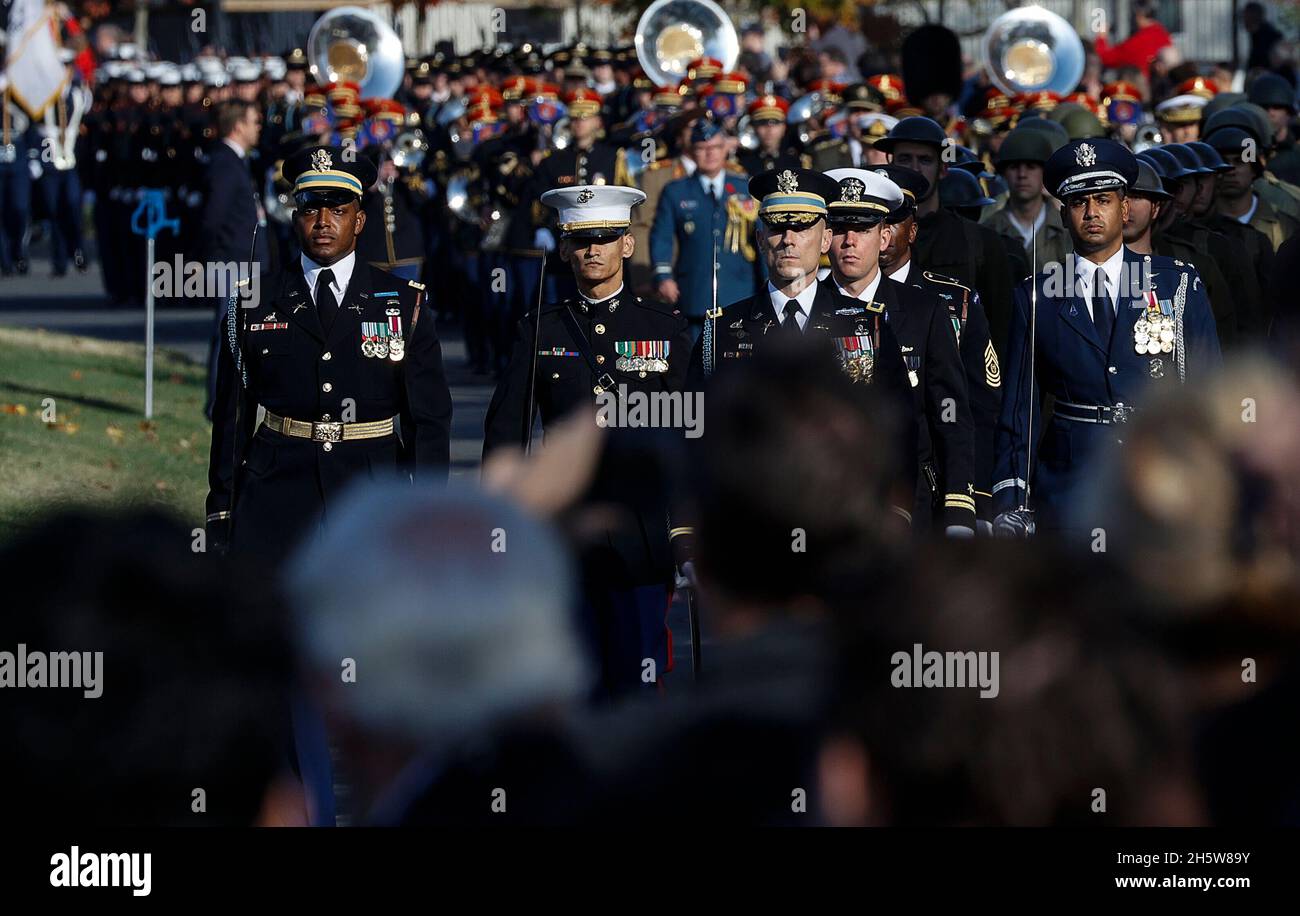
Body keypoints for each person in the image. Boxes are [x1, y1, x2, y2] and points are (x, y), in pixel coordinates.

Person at [483, 184, 691, 697]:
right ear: (563, 248)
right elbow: (507, 430)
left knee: (639, 676)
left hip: (639, 532)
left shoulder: (661, 327)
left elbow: (692, 431)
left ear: (626, 244)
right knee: (567, 683)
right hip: (562, 531)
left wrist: (687, 528)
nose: (592, 250)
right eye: (580, 240)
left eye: (604, 238)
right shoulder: (539, 328)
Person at [206, 145, 453, 560]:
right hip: (277, 489)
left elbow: (427, 422)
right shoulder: (253, 302)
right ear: (295, 217)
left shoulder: (402, 302)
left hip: (371, 493)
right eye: (310, 208)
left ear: (359, 221)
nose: (323, 222)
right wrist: (222, 512)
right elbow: (232, 418)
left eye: (338, 209)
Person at [993, 139, 1222, 537]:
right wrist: (1013, 500)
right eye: (1080, 203)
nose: (1093, 212)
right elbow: (1020, 409)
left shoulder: (1176, 282)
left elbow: (1205, 390)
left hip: (1158, 477)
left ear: (1125, 207)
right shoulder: (1037, 295)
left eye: (1104, 199)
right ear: (1064, 215)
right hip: (1068, 484)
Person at [822, 167, 976, 535]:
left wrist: (959, 510)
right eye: (841, 229)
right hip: (826, 502)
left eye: (862, 229)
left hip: (909, 500)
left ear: (885, 235)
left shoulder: (925, 310)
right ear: (826, 237)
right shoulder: (807, 310)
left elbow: (950, 416)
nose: (849, 242)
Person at [876, 163, 1003, 529]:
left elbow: (979, 407)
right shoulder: (825, 300)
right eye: (871, 224)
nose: (882, 234)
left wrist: (973, 498)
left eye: (892, 223)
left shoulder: (953, 301)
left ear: (912, 230)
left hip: (929, 488)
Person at [875, 117, 1016, 361]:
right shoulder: (869, 237)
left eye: (925, 160)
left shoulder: (982, 243)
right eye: (905, 159)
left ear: (943, 168)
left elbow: (1001, 334)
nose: (914, 169)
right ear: (890, 162)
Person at [651, 116, 760, 337]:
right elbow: (661, 237)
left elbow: (761, 240)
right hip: (694, 292)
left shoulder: (745, 188)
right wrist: (663, 276)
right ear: (691, 151)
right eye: (702, 148)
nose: (710, 154)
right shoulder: (676, 191)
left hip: (739, 290)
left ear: (725, 150)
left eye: (716, 147)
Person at [201, 99, 271, 419]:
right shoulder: (225, 162)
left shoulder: (238, 160)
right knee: (230, 332)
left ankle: (238, 398)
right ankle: (220, 403)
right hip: (233, 260)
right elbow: (214, 217)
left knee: (243, 334)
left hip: (246, 259)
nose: (259, 127)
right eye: (254, 121)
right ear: (238, 125)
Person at [980, 128, 1073, 272]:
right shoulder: (988, 230)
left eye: (1031, 167)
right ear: (1004, 173)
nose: (1022, 174)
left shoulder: (1068, 229)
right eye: (1014, 167)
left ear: (1044, 173)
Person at [1094, 0, 1173, 73]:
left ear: (1140, 15)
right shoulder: (1165, 36)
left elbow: (1107, 58)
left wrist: (1101, 38)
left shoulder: (1138, 42)